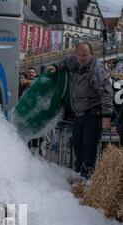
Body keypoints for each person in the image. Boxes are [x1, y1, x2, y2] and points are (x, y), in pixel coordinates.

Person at [46, 42, 113, 179]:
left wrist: (106, 116)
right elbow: (65, 61)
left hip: (93, 112)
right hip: (79, 113)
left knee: (89, 145)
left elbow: (107, 93)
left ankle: (87, 176)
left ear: (92, 55)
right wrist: (56, 66)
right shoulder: (74, 61)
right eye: (79, 55)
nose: (82, 58)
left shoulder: (97, 70)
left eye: (85, 55)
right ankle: (79, 171)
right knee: (76, 142)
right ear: (76, 54)